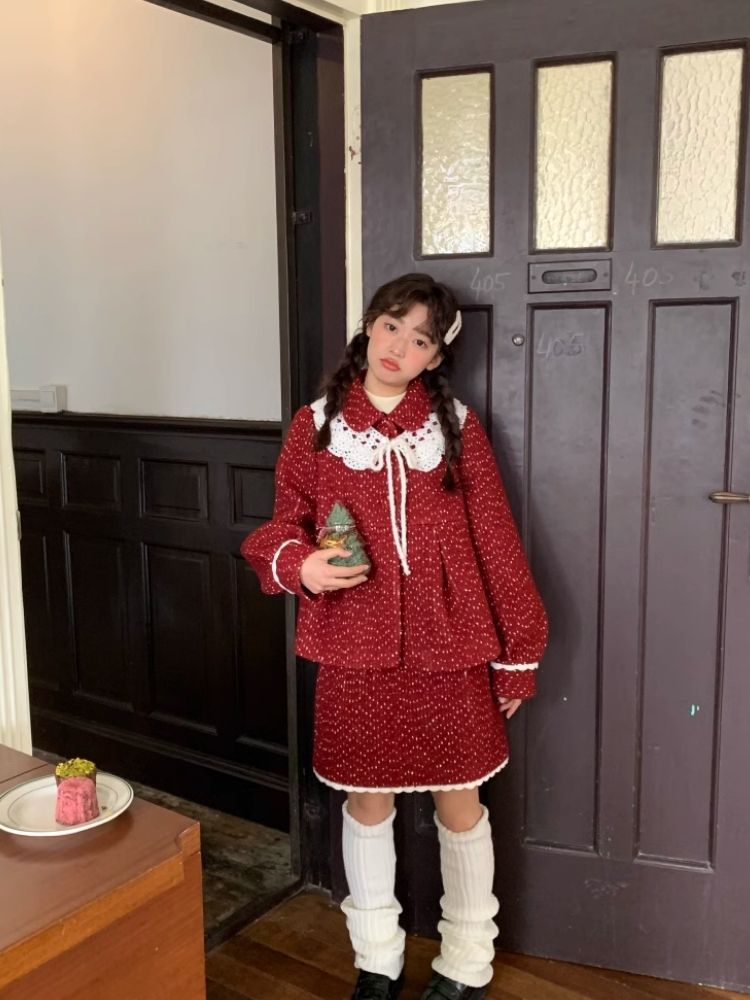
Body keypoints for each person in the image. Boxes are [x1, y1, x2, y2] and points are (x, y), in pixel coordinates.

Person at [241, 273, 548, 1000]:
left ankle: (467, 962)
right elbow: (284, 522)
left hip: (452, 647)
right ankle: (376, 961)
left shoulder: (457, 427)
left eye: (419, 339)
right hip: (354, 646)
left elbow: (495, 539)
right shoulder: (315, 424)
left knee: (460, 806)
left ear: (436, 357)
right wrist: (301, 563)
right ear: (368, 326)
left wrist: (519, 652)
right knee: (366, 805)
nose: (398, 347)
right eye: (390, 326)